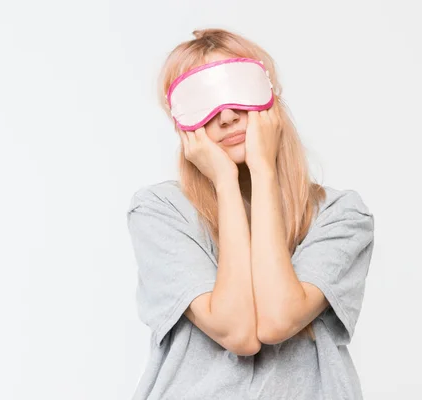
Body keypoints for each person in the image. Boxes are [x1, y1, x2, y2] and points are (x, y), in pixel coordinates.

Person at [126, 28, 376, 400]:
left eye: (237, 92)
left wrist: (264, 172)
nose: (225, 115)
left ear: (270, 99)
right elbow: (238, 332)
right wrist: (226, 184)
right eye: (202, 101)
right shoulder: (160, 211)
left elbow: (277, 320)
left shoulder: (340, 216)